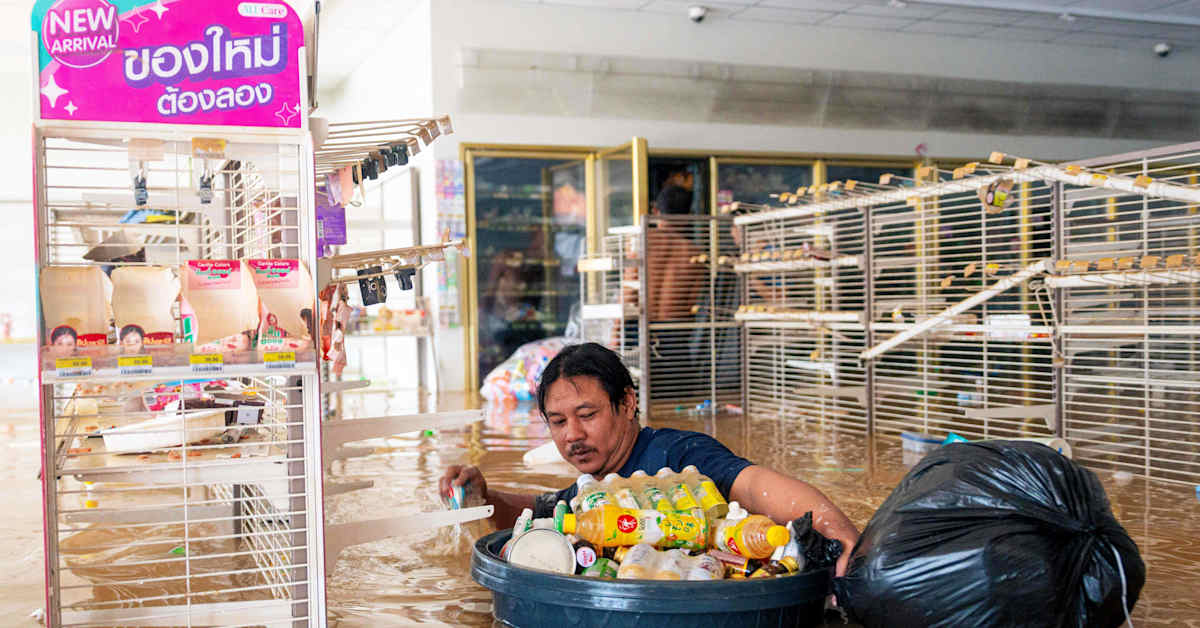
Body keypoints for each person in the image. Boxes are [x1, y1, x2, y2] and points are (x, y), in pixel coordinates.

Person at [441, 342, 861, 576]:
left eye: (587, 415)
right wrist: (484, 497)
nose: (572, 435)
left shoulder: (678, 456)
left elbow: (755, 486)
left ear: (627, 403)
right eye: (558, 421)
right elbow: (544, 512)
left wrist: (835, 533)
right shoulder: (596, 489)